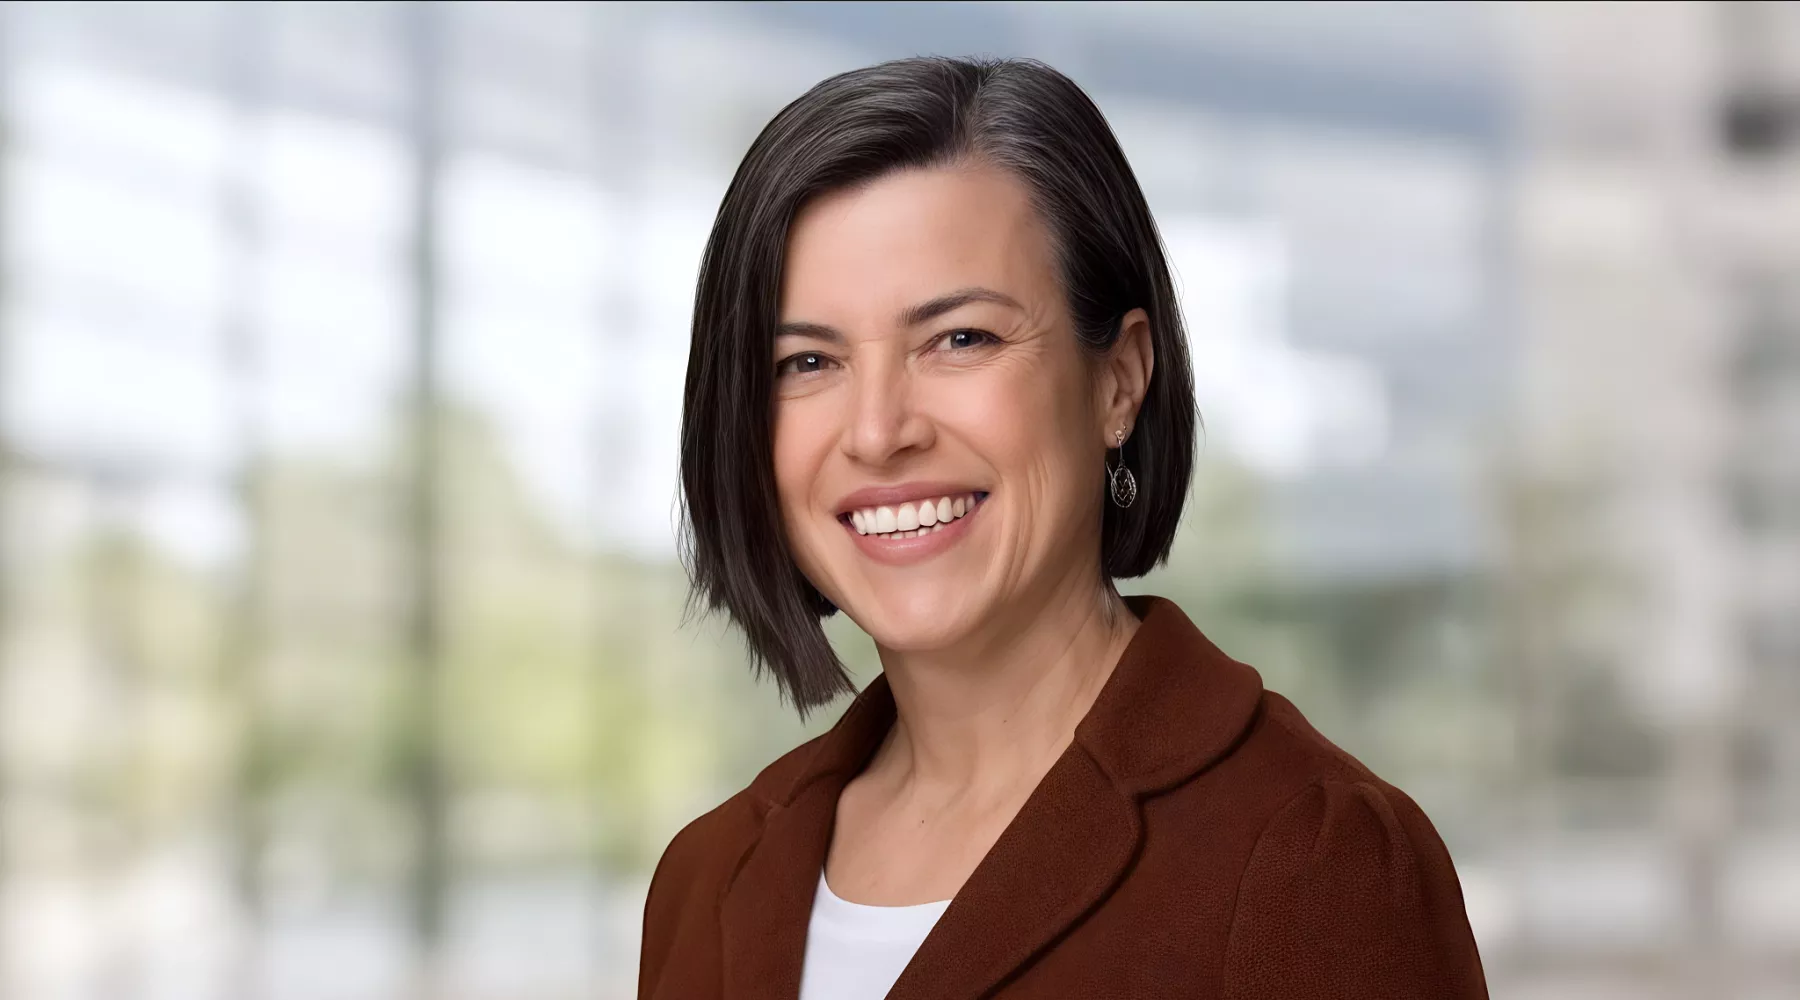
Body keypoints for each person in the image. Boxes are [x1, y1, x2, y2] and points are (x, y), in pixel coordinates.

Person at [640, 56, 1488, 1000]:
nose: (878, 432)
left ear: (1118, 380)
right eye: (807, 361)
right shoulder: (708, 876)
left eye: (960, 339)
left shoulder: (1313, 860)